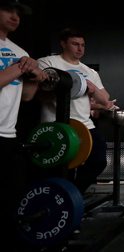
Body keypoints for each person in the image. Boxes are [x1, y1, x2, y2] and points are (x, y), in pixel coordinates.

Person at [37, 28, 117, 194]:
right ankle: (57, 199)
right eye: (75, 44)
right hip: (55, 124)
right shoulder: (47, 62)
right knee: (56, 168)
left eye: (82, 45)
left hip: (84, 125)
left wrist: (93, 89)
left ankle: (72, 195)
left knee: (98, 161)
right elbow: (41, 92)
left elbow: (105, 98)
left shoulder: (90, 72)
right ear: (63, 44)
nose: (80, 48)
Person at [0, 0, 48, 246]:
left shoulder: (20, 52)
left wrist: (34, 75)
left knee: (11, 201)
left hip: (8, 135)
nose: (15, 16)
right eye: (8, 10)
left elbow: (27, 96)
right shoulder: (20, 58)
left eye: (18, 12)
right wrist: (21, 67)